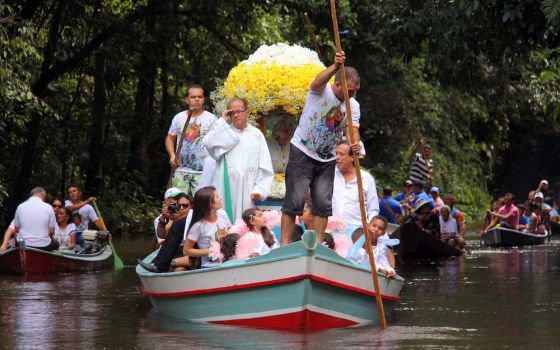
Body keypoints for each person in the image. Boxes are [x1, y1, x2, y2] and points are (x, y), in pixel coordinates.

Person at [281, 51, 361, 245]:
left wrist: (355, 144)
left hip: (327, 158)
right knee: (295, 202)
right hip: (303, 151)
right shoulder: (321, 91)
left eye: (355, 91)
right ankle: (283, 244)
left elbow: (353, 130)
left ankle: (316, 245)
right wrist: (335, 65)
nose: (352, 94)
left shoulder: (353, 106)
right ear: (337, 84)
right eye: (349, 90)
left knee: (323, 205)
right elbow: (317, 81)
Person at [203, 98, 273, 222]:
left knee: (246, 222)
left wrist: (260, 190)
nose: (236, 115)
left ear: (248, 112)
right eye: (232, 112)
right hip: (226, 186)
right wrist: (221, 122)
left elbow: (265, 165)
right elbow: (208, 142)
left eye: (239, 111)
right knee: (224, 220)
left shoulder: (257, 135)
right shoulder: (224, 133)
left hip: (248, 187)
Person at [166, 85, 217, 195]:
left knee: (201, 208)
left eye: (200, 96)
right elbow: (170, 138)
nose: (197, 99)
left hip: (204, 173)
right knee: (179, 206)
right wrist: (172, 155)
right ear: (187, 100)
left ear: (204, 99)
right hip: (180, 170)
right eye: (193, 97)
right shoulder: (178, 118)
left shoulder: (212, 119)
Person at [137, 193, 193, 272]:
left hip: (189, 253)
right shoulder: (171, 218)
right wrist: (163, 219)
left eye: (185, 205)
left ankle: (161, 265)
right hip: (178, 252)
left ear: (192, 206)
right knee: (178, 269)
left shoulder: (194, 218)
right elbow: (162, 236)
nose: (181, 208)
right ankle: (161, 265)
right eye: (179, 205)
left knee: (179, 269)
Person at [332, 141, 379, 235]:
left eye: (341, 154)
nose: (337, 158)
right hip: (332, 232)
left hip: (357, 234)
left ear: (353, 157)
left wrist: (368, 229)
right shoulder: (330, 175)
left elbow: (373, 209)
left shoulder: (366, 179)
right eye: (336, 154)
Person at [183, 186, 231, 268]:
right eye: (217, 197)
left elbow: (231, 232)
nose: (220, 199)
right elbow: (186, 251)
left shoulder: (223, 214)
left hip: (230, 263)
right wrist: (211, 251)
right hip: (210, 267)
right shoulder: (198, 226)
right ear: (210, 204)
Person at [2, 187, 58, 251]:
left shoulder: (20, 207)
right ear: (42, 194)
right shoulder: (48, 207)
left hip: (23, 244)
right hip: (43, 245)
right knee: (56, 244)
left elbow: (17, 229)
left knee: (18, 238)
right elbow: (51, 231)